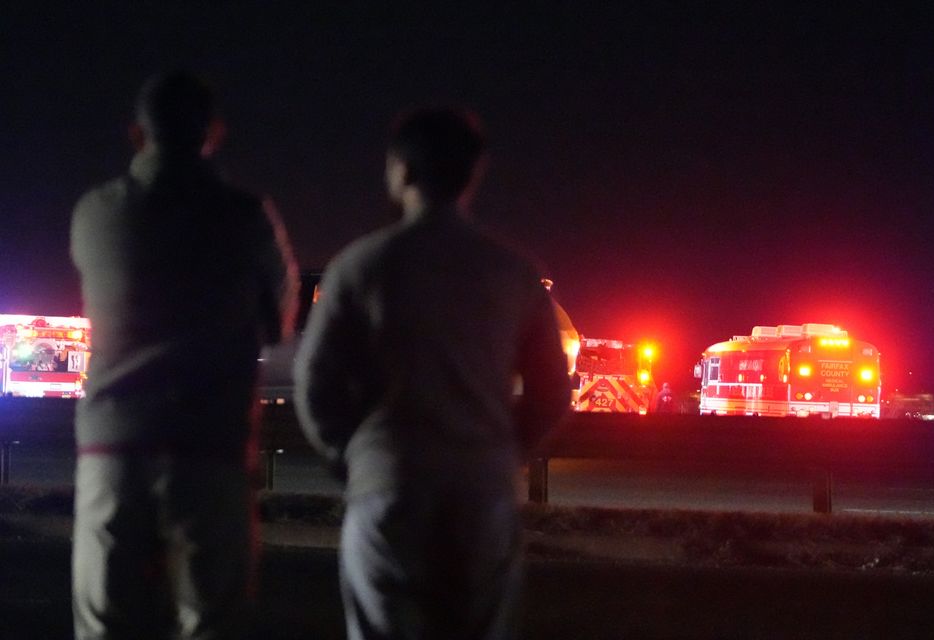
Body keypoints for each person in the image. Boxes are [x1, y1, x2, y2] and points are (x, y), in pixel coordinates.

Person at [294, 107, 570, 640]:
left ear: (398, 171)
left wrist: (352, 457)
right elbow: (552, 391)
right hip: (480, 490)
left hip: (389, 483)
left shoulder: (361, 265)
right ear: (474, 172)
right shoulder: (512, 272)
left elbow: (315, 382)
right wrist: (504, 453)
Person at [70, 71, 298, 640]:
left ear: (135, 133)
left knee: (107, 622)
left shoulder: (94, 213)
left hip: (112, 447)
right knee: (214, 618)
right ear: (214, 133)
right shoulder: (246, 218)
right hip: (209, 446)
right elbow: (277, 323)